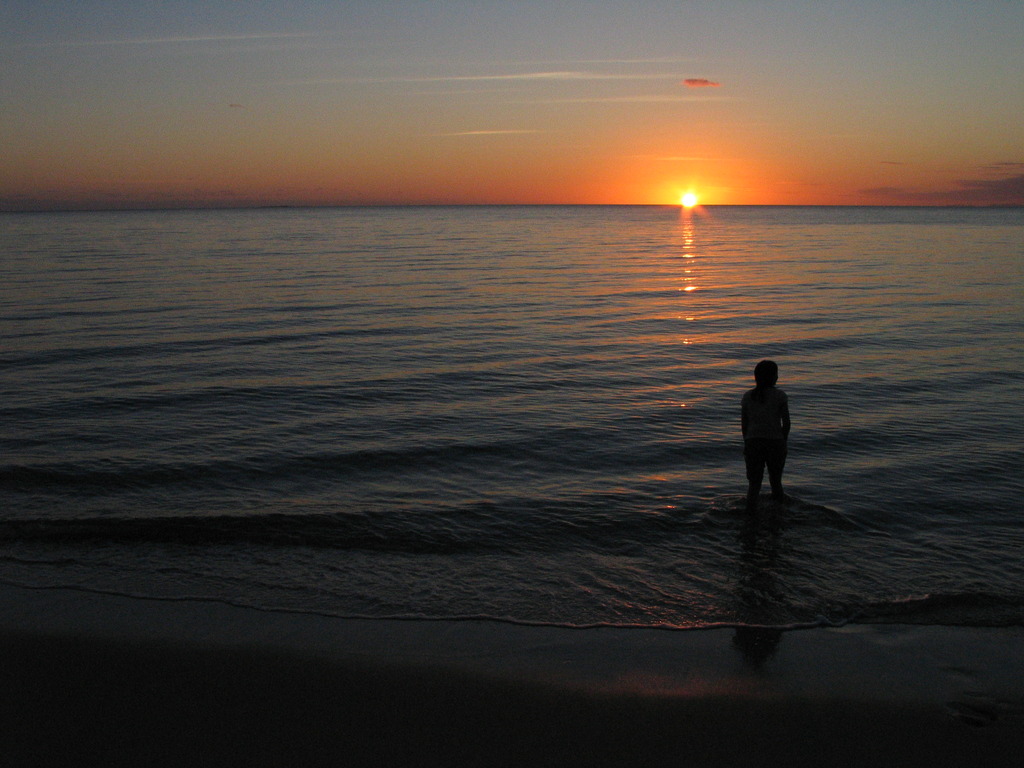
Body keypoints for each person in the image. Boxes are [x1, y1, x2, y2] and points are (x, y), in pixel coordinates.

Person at [741, 359, 790, 513]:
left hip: (753, 442)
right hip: (775, 442)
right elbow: (786, 423)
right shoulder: (780, 396)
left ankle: (750, 514)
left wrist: (747, 442)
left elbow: (745, 424)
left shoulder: (748, 397)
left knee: (754, 484)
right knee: (776, 482)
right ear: (773, 377)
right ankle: (779, 514)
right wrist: (783, 441)